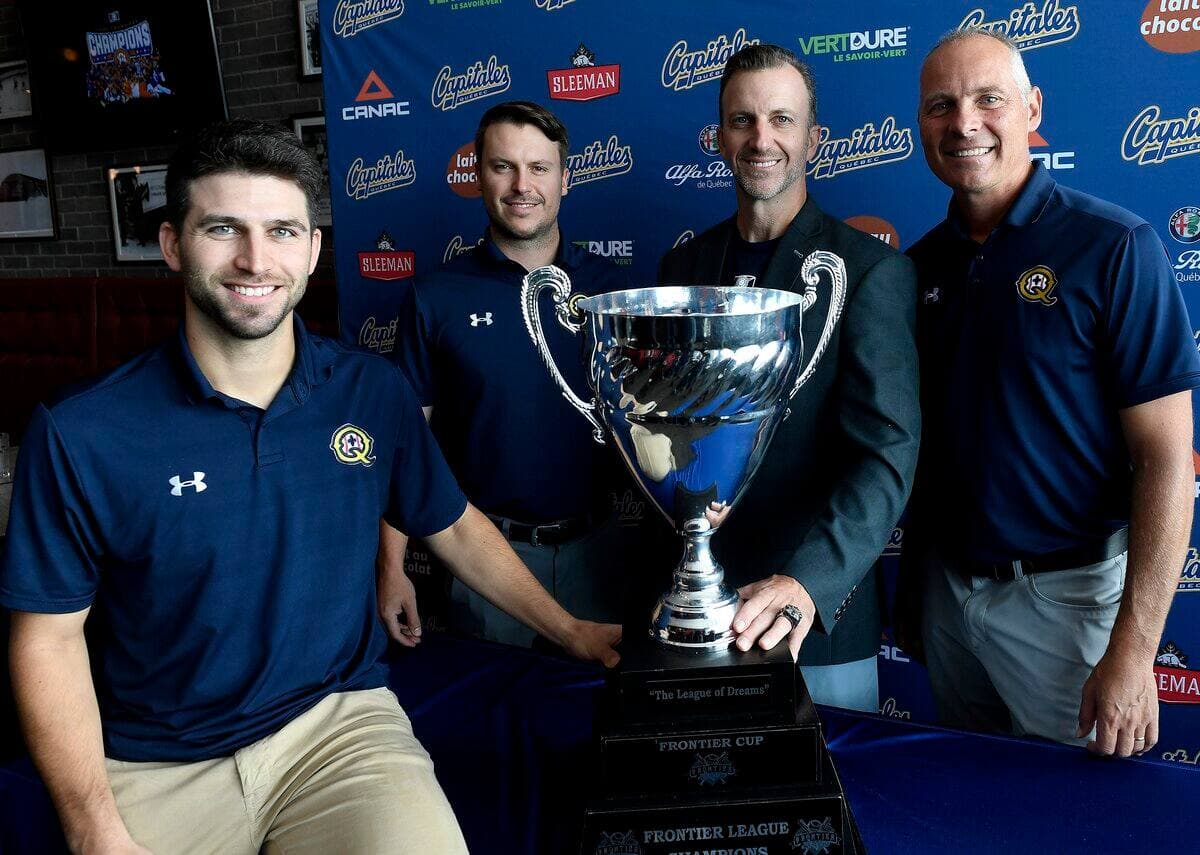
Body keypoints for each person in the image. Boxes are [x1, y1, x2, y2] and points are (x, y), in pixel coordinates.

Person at [0, 120, 620, 854]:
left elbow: (452, 524)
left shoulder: (369, 391)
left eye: (284, 231)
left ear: (313, 248)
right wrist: (94, 826)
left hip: (340, 730)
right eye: (223, 228)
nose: (255, 259)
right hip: (156, 763)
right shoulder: (81, 431)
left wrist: (570, 629)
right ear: (172, 244)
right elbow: (48, 637)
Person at [896, 29, 1198, 758]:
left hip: (1067, 607)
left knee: (1078, 822)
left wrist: (1134, 650)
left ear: (1032, 107)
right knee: (972, 804)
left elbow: (1167, 462)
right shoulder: (916, 268)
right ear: (921, 126)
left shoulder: (1115, 247)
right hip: (947, 599)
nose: (963, 122)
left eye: (987, 99)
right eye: (941, 105)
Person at [656, 44, 921, 712]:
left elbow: (887, 454)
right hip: (695, 609)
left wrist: (807, 583)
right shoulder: (681, 266)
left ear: (813, 139)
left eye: (781, 119)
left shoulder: (866, 270)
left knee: (825, 809)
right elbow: (665, 426)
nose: (761, 138)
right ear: (720, 136)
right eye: (742, 120)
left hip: (814, 618)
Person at [380, 101, 630, 648]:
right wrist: (392, 565)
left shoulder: (614, 294)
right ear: (478, 177)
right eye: (503, 167)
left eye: (539, 168)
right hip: (486, 561)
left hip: (603, 553)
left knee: (601, 718)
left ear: (565, 179)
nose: (522, 185)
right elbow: (406, 444)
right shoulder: (434, 298)